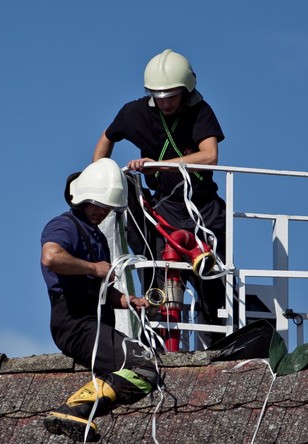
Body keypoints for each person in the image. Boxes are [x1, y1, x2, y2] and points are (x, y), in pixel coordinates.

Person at [93, 48, 229, 345]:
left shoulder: (200, 111)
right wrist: (98, 178)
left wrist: (155, 165)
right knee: (155, 272)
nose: (165, 101)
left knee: (211, 284)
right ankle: (157, 341)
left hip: (204, 207)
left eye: (171, 95)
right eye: (158, 95)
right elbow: (107, 136)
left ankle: (217, 346)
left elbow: (210, 155)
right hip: (164, 207)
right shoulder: (134, 112)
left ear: (186, 91)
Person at [41, 158, 160, 443]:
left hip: (89, 318)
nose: (102, 212)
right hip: (74, 321)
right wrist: (94, 268)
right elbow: (51, 257)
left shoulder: (96, 237)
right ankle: (74, 409)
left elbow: (99, 292)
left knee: (143, 369)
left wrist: (127, 300)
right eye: (98, 205)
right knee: (142, 365)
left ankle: (80, 411)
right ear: (82, 198)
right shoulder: (64, 225)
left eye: (107, 208)